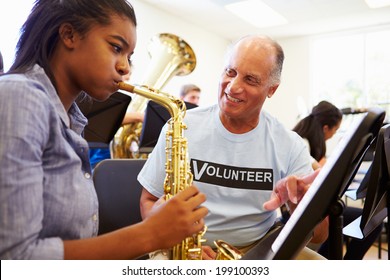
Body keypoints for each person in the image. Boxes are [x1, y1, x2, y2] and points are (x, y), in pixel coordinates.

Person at [0, 0, 208, 260]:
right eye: (116, 48)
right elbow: (14, 259)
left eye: (129, 57)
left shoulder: (70, 119)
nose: (125, 68)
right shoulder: (19, 96)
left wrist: (161, 232)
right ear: (69, 35)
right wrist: (149, 235)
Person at [138, 35, 329, 260]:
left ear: (272, 89)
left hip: (258, 248)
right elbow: (148, 201)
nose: (234, 86)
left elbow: (319, 236)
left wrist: (301, 203)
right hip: (181, 245)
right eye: (230, 72)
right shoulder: (180, 126)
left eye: (250, 79)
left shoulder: (290, 143)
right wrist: (181, 245)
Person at [293, 101, 383, 260]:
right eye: (335, 130)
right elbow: (319, 175)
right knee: (369, 222)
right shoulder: (301, 144)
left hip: (312, 208)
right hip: (300, 212)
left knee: (363, 221)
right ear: (326, 128)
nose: (334, 134)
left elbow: (320, 169)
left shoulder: (307, 142)